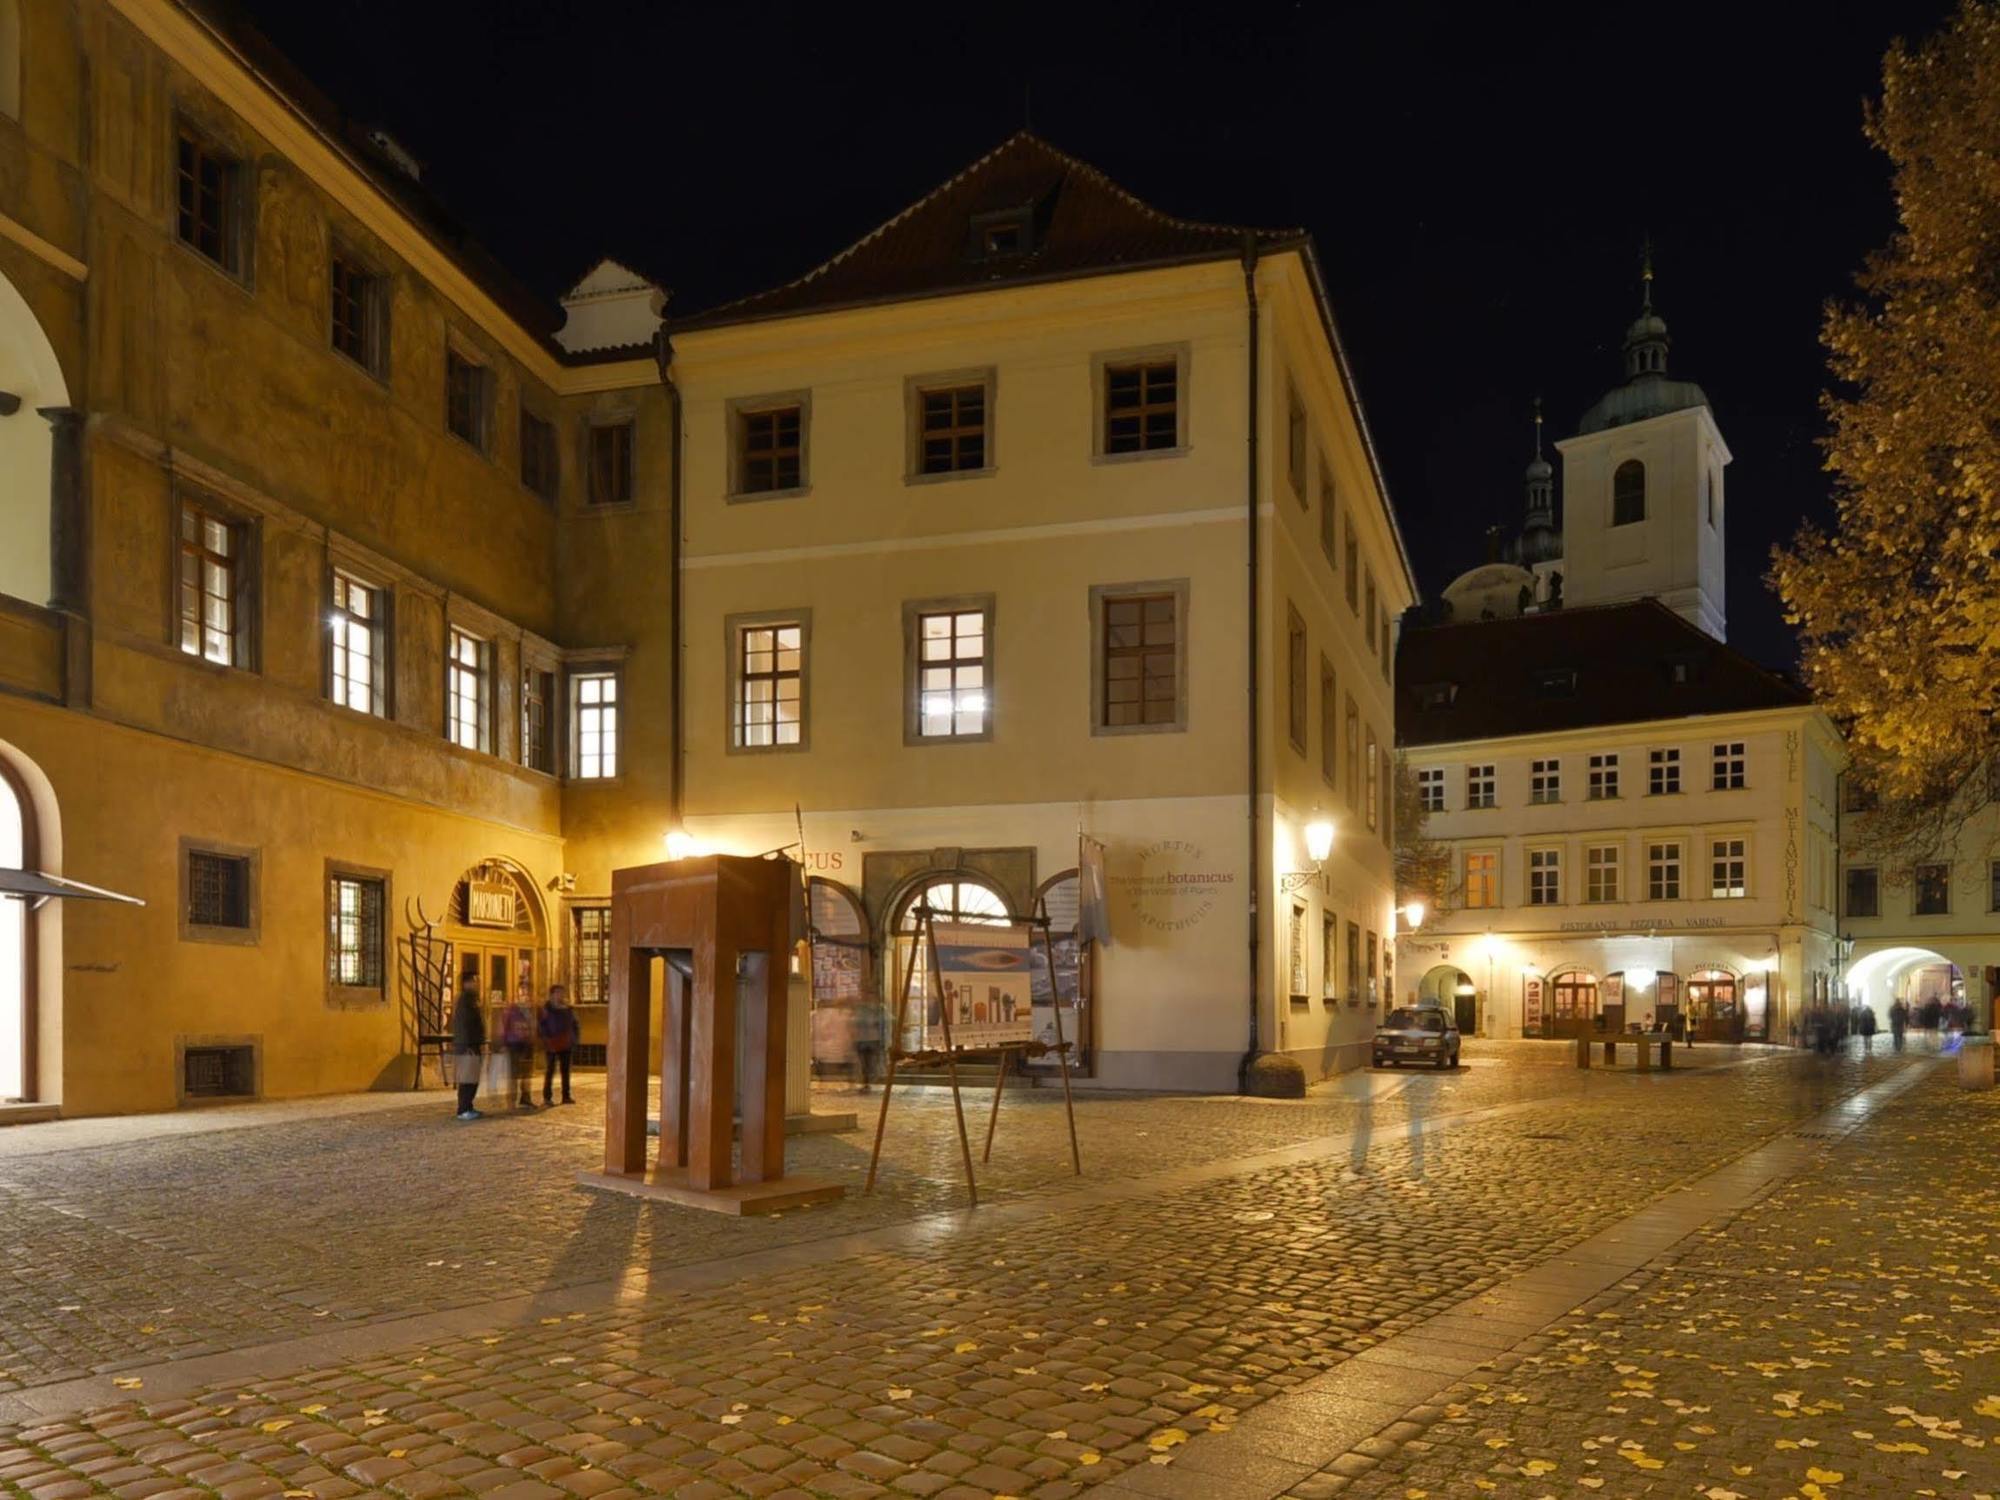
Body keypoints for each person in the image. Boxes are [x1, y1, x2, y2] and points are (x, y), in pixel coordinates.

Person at [538, 983, 579, 1105]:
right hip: (552, 1043)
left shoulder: (568, 1009)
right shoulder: (546, 1009)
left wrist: (574, 1039)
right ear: (552, 995)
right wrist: (546, 1040)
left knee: (565, 1071)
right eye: (557, 993)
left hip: (566, 1043)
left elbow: (575, 1024)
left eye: (562, 993)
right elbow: (541, 1026)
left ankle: (566, 1096)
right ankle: (547, 1097)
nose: (560, 995)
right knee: (550, 1070)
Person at [450, 981, 485, 1120]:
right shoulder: (465, 1002)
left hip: (472, 1044)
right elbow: (464, 1026)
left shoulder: (472, 1001)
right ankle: (463, 1109)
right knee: (467, 1078)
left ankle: (468, 1106)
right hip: (467, 1046)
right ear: (466, 984)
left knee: (473, 1078)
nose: (476, 984)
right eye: (473, 981)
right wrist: (467, 1046)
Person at [500, 984, 536, 1109]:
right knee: (513, 1074)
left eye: (527, 993)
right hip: (514, 1044)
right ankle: (511, 1101)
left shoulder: (531, 1009)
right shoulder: (511, 1009)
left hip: (527, 1044)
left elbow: (533, 1025)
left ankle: (526, 1098)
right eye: (522, 993)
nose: (525, 996)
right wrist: (504, 1043)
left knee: (527, 1074)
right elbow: (504, 1027)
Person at [852, 998, 885, 1093]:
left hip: (869, 1040)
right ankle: (867, 1082)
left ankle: (868, 1081)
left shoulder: (874, 1011)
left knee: (867, 1063)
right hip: (865, 1040)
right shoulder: (873, 1011)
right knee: (866, 1063)